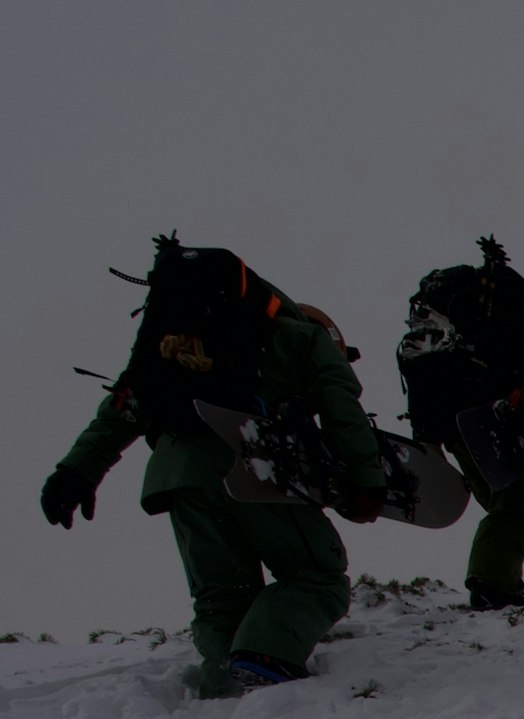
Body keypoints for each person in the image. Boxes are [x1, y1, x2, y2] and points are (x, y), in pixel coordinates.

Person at [38, 238, 384, 694]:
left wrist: (75, 473)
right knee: (316, 577)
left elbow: (124, 408)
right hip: (252, 464)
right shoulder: (302, 337)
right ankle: (266, 659)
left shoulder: (172, 345)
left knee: (222, 596)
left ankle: (224, 691)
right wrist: (367, 481)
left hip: (177, 478)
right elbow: (344, 412)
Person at [396, 239, 524, 608]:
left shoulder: (443, 335)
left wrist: (427, 440)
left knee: (505, 499)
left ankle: (498, 580)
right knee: (520, 497)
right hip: (484, 414)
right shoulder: (519, 310)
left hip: (451, 422)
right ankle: (492, 584)